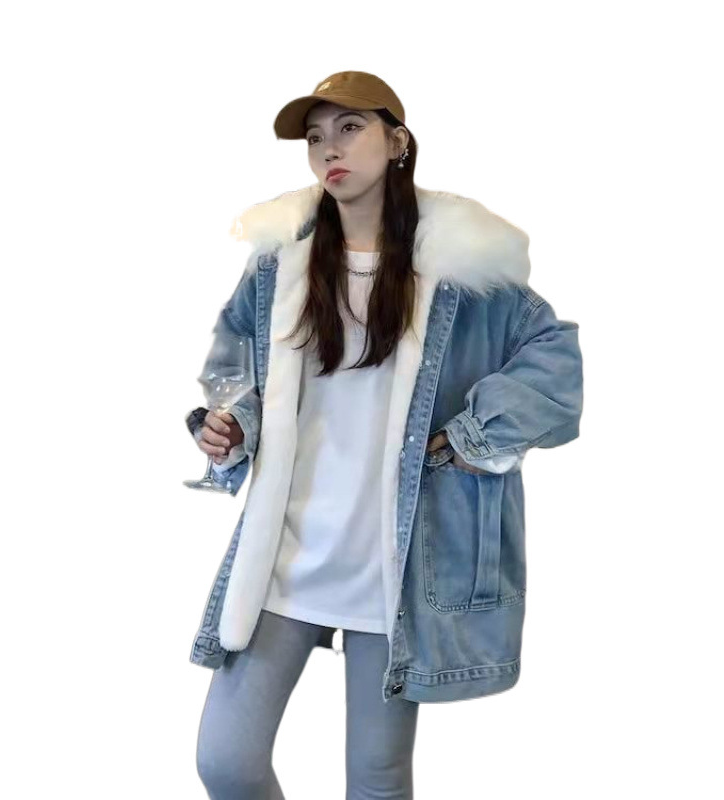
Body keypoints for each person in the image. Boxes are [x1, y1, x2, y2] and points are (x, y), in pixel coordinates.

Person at [186, 70, 584, 799]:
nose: (328, 149)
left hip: (396, 565)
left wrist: (473, 434)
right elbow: (236, 369)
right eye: (314, 138)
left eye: (349, 128)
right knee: (227, 761)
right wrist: (230, 423)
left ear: (397, 141)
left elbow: (553, 358)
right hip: (287, 552)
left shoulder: (464, 269)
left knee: (377, 780)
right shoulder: (281, 262)